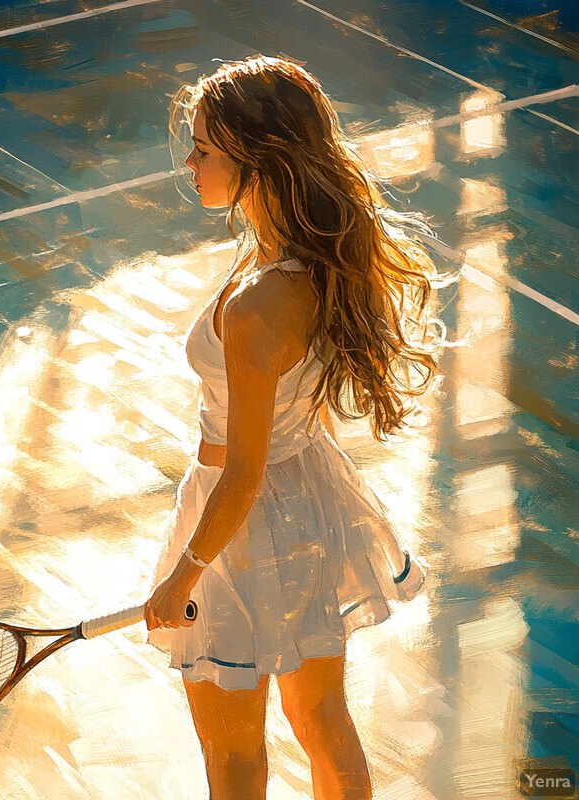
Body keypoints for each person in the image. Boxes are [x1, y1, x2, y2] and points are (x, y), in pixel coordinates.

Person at [143, 55, 446, 800]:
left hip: (235, 521)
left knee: (233, 758)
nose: (190, 160)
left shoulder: (254, 309)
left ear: (258, 161)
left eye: (206, 148)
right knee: (321, 718)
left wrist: (185, 573)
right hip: (306, 501)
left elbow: (241, 472)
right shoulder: (305, 261)